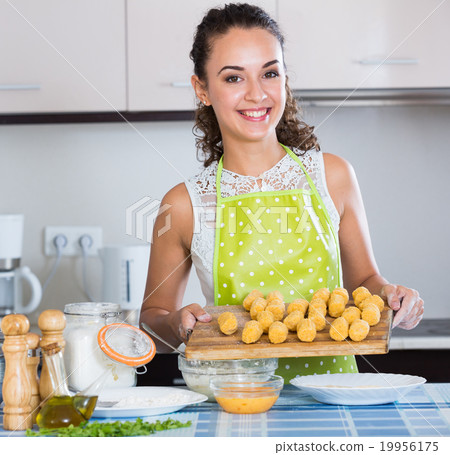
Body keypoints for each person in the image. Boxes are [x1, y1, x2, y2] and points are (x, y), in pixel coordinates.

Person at [139, 3, 424, 381]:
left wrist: (391, 295)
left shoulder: (333, 176)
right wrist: (176, 324)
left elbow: (365, 283)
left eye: (269, 73)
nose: (257, 94)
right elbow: (152, 320)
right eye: (233, 78)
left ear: (284, 79)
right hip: (234, 397)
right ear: (202, 89)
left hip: (335, 394)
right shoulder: (184, 204)